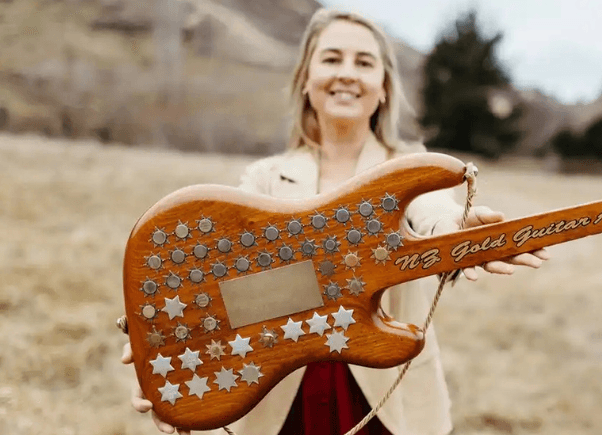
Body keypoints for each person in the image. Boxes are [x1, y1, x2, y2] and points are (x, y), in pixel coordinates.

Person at [121, 8, 549, 435]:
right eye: (331, 59)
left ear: (383, 88)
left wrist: (456, 232)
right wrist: (164, 347)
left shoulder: (411, 169)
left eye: (364, 63)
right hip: (283, 400)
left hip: (385, 404)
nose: (347, 73)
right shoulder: (264, 180)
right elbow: (225, 289)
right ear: (306, 80)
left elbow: (434, 215)